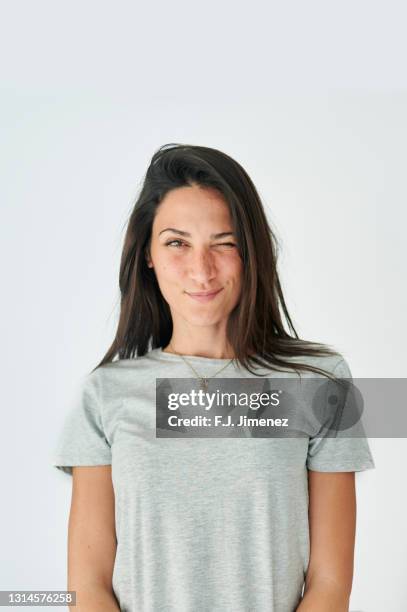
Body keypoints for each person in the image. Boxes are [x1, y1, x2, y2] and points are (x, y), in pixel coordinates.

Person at [52, 143, 375, 612]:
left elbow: (329, 583)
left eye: (225, 244)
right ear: (148, 254)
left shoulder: (321, 383)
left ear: (252, 254)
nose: (200, 270)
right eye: (177, 243)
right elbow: (88, 586)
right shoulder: (104, 395)